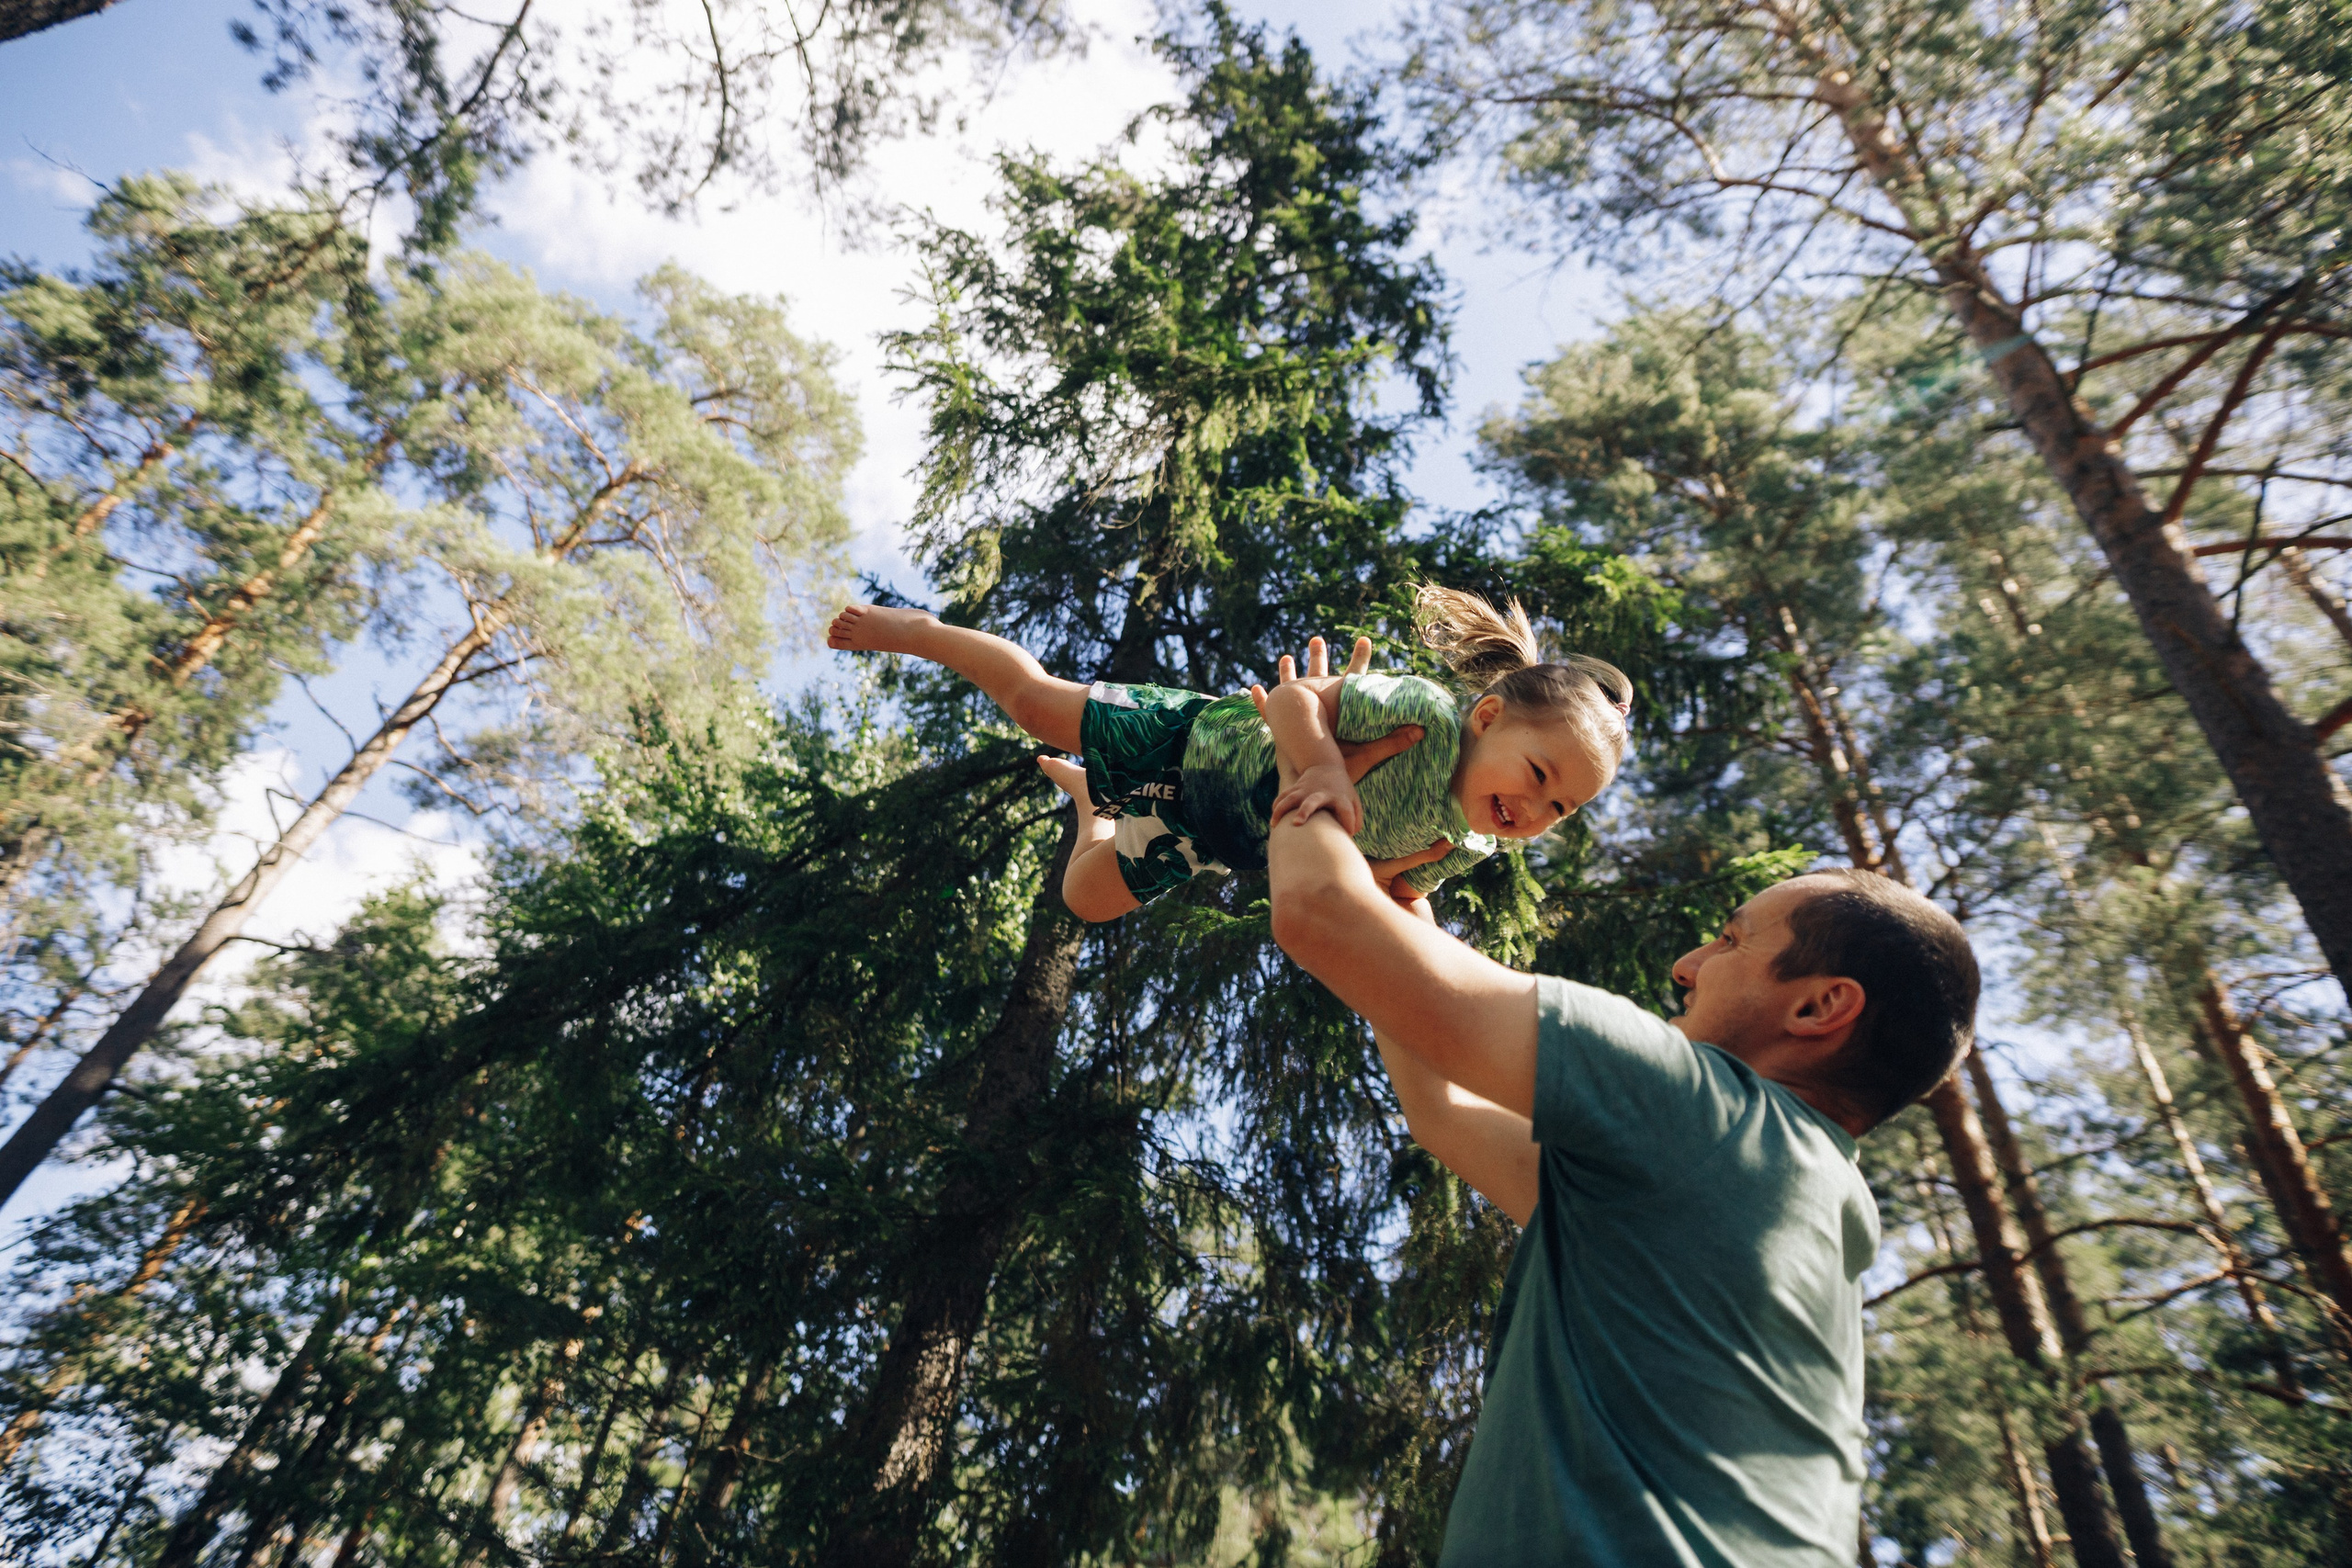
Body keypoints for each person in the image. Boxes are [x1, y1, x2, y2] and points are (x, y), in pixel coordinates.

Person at [1260, 666, 1980, 1565]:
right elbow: (1440, 1110)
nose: (1685, 965)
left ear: (1817, 1008)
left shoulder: (1700, 1109)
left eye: (1728, 941)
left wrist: (1311, 766)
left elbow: (1319, 913)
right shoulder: (1803, 1195)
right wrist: (1403, 892)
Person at [826, 585, 1634, 920]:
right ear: (1489, 715)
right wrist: (1320, 763)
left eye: (1560, 808)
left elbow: (1392, 887)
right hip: (1199, 742)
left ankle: (1089, 810)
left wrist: (1410, 918)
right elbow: (1290, 700)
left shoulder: (1466, 844)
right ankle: (927, 633)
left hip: (1214, 838)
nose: (1536, 809)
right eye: (1539, 775)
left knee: (1087, 899)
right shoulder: (1422, 716)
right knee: (1039, 705)